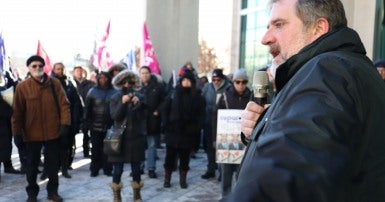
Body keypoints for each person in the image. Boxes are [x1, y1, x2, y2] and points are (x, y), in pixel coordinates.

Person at [222, 0, 385, 201]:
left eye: (279, 24)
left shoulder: (328, 70)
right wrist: (264, 126)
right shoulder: (336, 70)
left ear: (318, 28)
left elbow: (289, 171)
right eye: (267, 27)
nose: (265, 38)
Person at [12, 55, 71, 202]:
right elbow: (17, 113)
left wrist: (65, 124)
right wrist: (17, 133)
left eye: (40, 65)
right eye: (34, 66)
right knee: (31, 167)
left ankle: (53, 192)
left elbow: (64, 105)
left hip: (53, 132)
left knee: (52, 165)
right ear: (29, 68)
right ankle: (32, 194)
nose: (37, 68)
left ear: (44, 67)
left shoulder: (55, 84)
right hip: (32, 134)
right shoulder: (22, 87)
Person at [161, 70, 205, 189]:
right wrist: (166, 125)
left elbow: (200, 115)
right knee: (169, 158)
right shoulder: (173, 94)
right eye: (184, 80)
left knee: (185, 159)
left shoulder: (197, 97)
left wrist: (195, 129)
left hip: (188, 134)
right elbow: (165, 110)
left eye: (188, 81)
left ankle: (182, 180)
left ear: (192, 82)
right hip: (173, 132)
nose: (186, 83)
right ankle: (167, 179)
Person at [108, 69, 147, 202]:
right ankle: (116, 195)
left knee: (136, 169)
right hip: (120, 138)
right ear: (120, 83)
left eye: (130, 82)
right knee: (117, 170)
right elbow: (115, 116)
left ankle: (137, 194)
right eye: (124, 82)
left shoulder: (140, 97)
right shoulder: (115, 97)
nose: (127, 84)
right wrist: (122, 103)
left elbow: (143, 118)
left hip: (135, 138)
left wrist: (138, 105)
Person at [216, 68, 251, 197]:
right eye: (237, 82)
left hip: (244, 142)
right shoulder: (225, 96)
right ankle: (225, 197)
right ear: (233, 82)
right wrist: (215, 139)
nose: (241, 85)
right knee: (226, 172)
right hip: (227, 141)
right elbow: (216, 117)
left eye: (244, 82)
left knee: (241, 173)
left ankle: (238, 197)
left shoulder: (252, 97)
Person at [48, 62, 82, 179]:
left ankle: (65, 168)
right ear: (54, 69)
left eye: (62, 69)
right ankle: (51, 169)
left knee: (66, 146)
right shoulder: (49, 82)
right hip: (52, 121)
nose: (60, 71)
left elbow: (77, 102)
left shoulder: (69, 83)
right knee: (51, 148)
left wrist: (76, 119)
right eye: (58, 69)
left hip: (67, 119)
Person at [201, 68, 231, 179]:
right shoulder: (207, 87)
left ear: (222, 79)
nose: (216, 82)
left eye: (218, 79)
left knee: (222, 147)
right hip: (209, 121)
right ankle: (211, 169)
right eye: (214, 79)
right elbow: (202, 101)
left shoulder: (228, 88)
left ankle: (222, 171)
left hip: (223, 122)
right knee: (210, 147)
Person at [84, 71, 116, 177]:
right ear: (98, 79)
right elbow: (87, 108)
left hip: (110, 125)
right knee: (95, 149)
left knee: (108, 149)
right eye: (101, 78)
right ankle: (94, 169)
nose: (103, 80)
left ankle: (108, 169)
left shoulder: (114, 91)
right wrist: (86, 122)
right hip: (95, 125)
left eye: (105, 78)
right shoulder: (92, 91)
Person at [138, 66, 166, 179]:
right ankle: (139, 167)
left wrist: (158, 111)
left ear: (150, 74)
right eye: (142, 73)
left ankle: (151, 168)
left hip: (152, 120)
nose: (144, 75)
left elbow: (165, 101)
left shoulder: (158, 87)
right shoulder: (136, 87)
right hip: (139, 120)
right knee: (139, 146)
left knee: (152, 145)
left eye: (146, 73)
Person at [72, 66, 95, 158]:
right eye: (77, 71)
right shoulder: (71, 84)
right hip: (75, 111)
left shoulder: (90, 84)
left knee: (87, 132)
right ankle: (72, 153)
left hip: (87, 110)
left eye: (81, 71)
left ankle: (86, 151)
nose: (79, 73)